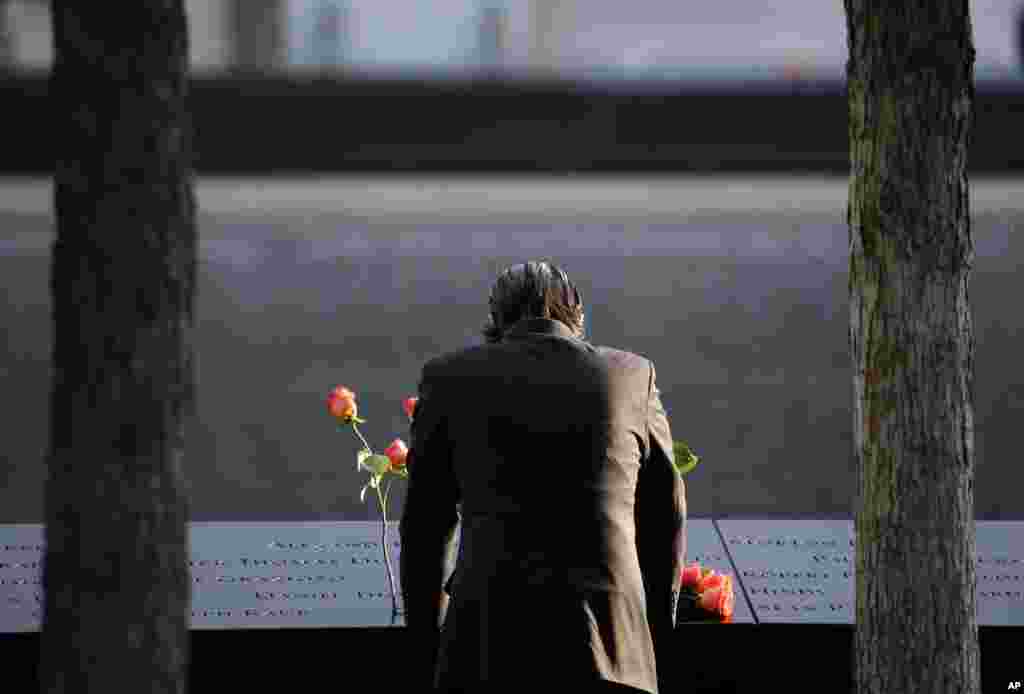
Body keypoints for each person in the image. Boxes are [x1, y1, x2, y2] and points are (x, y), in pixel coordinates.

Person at [400, 261, 686, 694]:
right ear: (578, 315)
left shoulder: (448, 379)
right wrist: (655, 632)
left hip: (486, 652)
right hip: (611, 653)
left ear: (496, 319)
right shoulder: (631, 377)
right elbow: (665, 514)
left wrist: (426, 643)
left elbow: (425, 525)